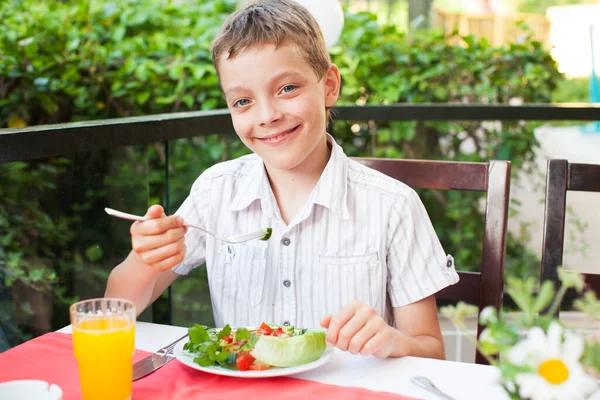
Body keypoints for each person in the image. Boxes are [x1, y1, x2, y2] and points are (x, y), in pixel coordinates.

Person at [105, 0, 459, 360]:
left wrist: (392, 341)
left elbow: (431, 350)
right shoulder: (216, 191)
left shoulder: (393, 206)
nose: (268, 116)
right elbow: (115, 308)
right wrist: (146, 257)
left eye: (287, 88)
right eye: (243, 101)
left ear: (329, 85)